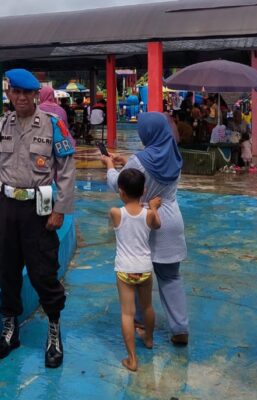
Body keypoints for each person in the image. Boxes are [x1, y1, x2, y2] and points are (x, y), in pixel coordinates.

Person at [0, 68, 76, 368]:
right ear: (8, 94)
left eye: (27, 93)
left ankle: (54, 331)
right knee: (6, 269)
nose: (21, 98)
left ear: (36, 95)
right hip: (8, 207)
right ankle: (10, 331)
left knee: (43, 272)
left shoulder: (53, 125)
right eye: (15, 92)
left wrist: (60, 209)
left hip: (39, 209)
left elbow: (67, 170)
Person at [101, 112, 189, 346]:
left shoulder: (139, 161)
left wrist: (110, 166)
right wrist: (127, 160)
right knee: (171, 277)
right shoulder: (174, 153)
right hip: (171, 220)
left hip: (144, 222)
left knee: (139, 275)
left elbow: (122, 185)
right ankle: (180, 328)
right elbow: (150, 167)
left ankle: (139, 323)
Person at [110, 169, 161, 372]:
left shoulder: (115, 213)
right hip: (145, 269)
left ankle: (132, 359)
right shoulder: (149, 215)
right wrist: (153, 207)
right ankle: (148, 339)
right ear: (144, 190)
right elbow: (157, 225)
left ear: (121, 192)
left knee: (127, 313)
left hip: (124, 270)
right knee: (147, 306)